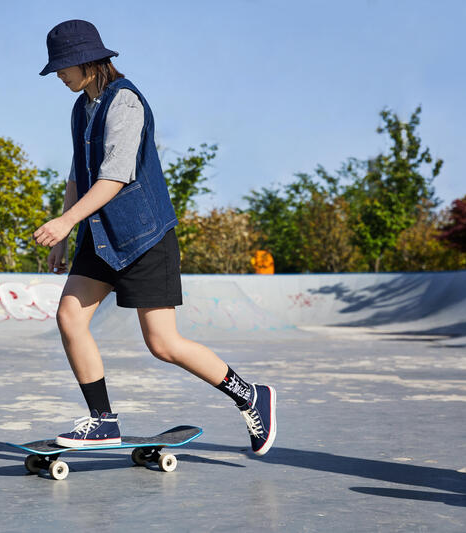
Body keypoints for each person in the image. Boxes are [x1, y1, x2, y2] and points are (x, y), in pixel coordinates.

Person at [33, 19, 276, 456]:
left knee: (163, 343)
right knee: (70, 316)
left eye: (64, 66)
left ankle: (250, 394)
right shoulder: (81, 108)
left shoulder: (124, 102)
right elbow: (79, 171)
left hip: (145, 237)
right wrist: (69, 236)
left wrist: (67, 222)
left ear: (89, 60)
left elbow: (114, 177)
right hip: (100, 235)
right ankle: (103, 422)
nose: (60, 76)